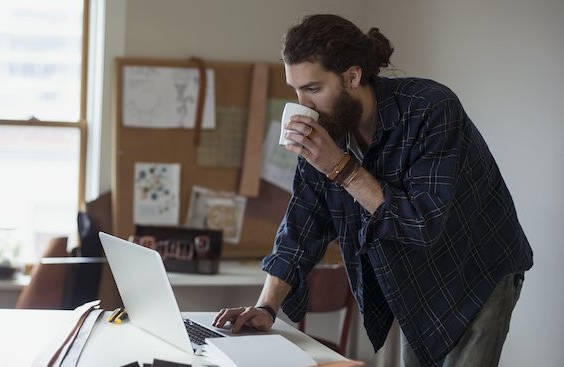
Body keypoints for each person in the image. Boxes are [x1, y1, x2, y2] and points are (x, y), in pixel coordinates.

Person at [213, 14, 533, 367]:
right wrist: (266, 306)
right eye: (296, 89)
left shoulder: (431, 109)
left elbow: (422, 223)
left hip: (477, 270)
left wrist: (340, 167)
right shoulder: (328, 132)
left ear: (352, 77)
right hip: (417, 281)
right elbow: (301, 226)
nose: (303, 104)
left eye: (313, 89)